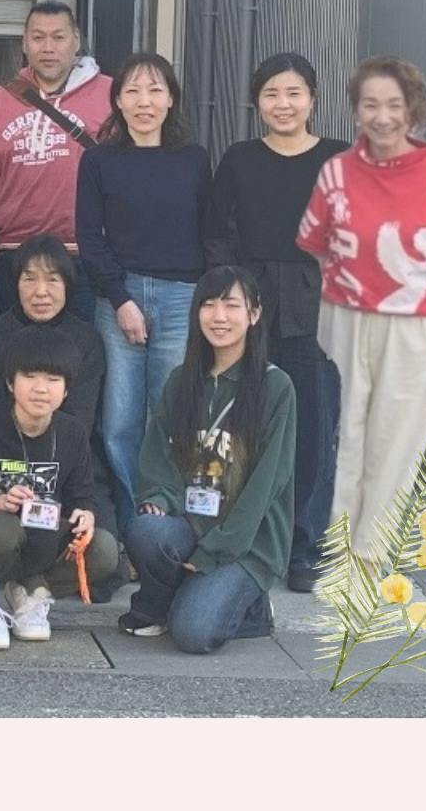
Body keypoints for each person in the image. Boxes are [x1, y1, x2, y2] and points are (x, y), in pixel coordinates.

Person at [296, 56, 426, 562]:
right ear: (356, 110)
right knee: (346, 433)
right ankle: (337, 549)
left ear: (413, 110)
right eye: (370, 104)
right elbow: (316, 243)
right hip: (346, 319)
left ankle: (373, 556)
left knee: (397, 441)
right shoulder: (337, 172)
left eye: (394, 105)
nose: (382, 117)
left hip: (417, 323)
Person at [208, 53, 351, 592]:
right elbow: (215, 233)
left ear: (312, 99)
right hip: (253, 303)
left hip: (320, 304)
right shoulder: (240, 159)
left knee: (314, 425)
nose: (283, 104)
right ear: (257, 102)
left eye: (293, 93)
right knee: (246, 421)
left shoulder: (339, 158)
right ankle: (245, 538)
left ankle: (305, 547)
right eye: (271, 94)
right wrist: (232, 298)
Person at [75, 53, 219, 546]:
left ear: (171, 99)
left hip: (182, 297)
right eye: (133, 91)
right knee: (119, 421)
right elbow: (89, 239)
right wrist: (120, 300)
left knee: (172, 413)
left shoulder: (194, 160)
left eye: (156, 90)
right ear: (117, 100)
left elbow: (208, 232)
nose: (144, 102)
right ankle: (129, 526)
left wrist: (207, 300)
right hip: (121, 295)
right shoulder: (98, 161)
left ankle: (165, 523)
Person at [120, 267, 296, 654]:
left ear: (254, 314)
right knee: (146, 531)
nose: (219, 317)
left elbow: (267, 484)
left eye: (231, 305)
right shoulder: (182, 380)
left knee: (193, 634)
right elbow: (159, 453)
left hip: (247, 541)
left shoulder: (275, 386)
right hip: (191, 522)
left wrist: (216, 550)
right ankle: (173, 599)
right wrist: (160, 497)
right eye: (209, 304)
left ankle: (251, 605)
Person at [0, 325, 120, 649]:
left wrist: (85, 514)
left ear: (66, 390)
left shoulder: (72, 433)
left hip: (44, 535)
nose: (41, 389)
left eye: (53, 380)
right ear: (10, 382)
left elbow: (82, 495)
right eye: (29, 377)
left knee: (104, 549)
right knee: (1, 528)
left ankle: (33, 593)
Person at [0, 234, 118, 579]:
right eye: (29, 279)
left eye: (53, 280)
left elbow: (80, 418)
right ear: (15, 284)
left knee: (103, 552)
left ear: (68, 286)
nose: (41, 292)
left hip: (68, 463)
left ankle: (36, 585)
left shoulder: (86, 340)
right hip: (2, 463)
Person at [0, 1, 112, 318]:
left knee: (80, 345)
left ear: (76, 41)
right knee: (16, 346)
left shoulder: (110, 95)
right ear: (25, 43)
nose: (48, 48)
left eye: (58, 37)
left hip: (85, 254)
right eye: (38, 37)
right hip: (15, 253)